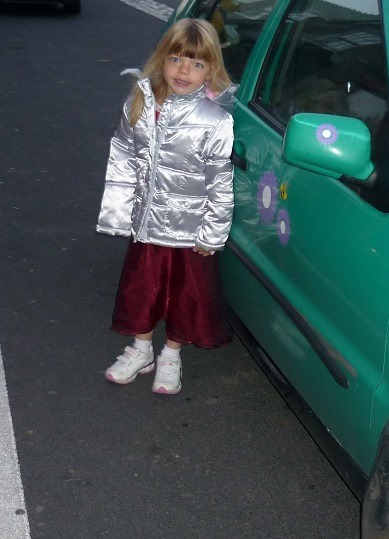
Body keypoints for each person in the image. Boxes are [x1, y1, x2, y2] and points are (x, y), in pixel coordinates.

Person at [96, 19, 235, 395]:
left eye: (196, 63)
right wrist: (118, 214)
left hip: (191, 232)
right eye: (176, 59)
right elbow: (122, 158)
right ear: (162, 59)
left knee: (186, 293)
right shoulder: (139, 104)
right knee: (143, 288)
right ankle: (141, 349)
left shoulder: (215, 120)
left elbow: (220, 182)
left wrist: (212, 234)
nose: (184, 71)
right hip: (147, 224)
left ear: (210, 71)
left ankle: (171, 354)